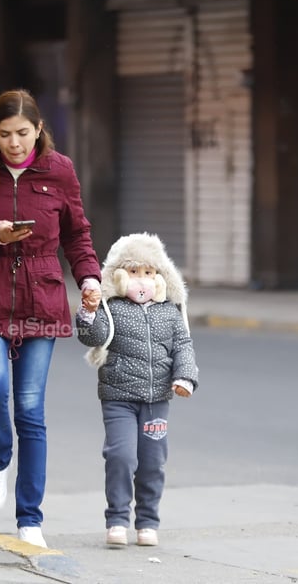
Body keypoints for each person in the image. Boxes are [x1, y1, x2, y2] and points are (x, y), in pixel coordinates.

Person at [0, 89, 102, 548]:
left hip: (41, 299)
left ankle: (30, 520)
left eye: (23, 133)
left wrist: (89, 279)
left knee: (30, 409)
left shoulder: (60, 171)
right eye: (5, 134)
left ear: (39, 130)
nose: (14, 143)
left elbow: (78, 235)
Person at [76, 232, 199, 547]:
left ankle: (147, 521)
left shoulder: (169, 312)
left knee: (152, 461)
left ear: (161, 276)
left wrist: (185, 377)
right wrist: (89, 312)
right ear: (118, 274)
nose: (141, 280)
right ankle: (117, 519)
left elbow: (183, 346)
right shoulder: (112, 307)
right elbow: (93, 337)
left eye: (148, 272)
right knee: (121, 456)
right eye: (133, 272)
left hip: (157, 399)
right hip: (118, 397)